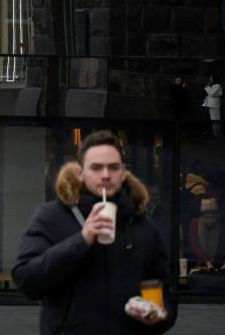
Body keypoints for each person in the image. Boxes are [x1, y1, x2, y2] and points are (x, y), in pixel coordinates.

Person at [12, 130, 177, 334]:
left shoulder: (143, 226)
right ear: (81, 173)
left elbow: (165, 293)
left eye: (113, 167)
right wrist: (81, 240)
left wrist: (158, 316)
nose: (106, 175)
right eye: (96, 168)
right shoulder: (51, 217)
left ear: (124, 172)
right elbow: (28, 281)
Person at [186, 197, 225, 270]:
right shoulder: (195, 223)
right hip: (199, 263)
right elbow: (194, 245)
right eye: (207, 217)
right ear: (202, 216)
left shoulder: (221, 224)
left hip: (219, 264)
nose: (210, 220)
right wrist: (207, 261)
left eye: (212, 218)